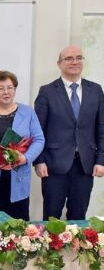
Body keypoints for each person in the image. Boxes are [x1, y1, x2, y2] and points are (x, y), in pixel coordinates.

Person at [34, 45, 104, 220]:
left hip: (85, 165)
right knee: (51, 218)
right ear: (59, 64)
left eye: (79, 58)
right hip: (53, 165)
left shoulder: (96, 90)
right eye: (69, 58)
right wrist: (39, 161)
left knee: (78, 218)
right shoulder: (47, 91)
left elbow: (101, 127)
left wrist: (101, 160)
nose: (75, 62)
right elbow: (38, 130)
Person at [0, 71, 44, 221]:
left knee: (17, 227)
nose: (6, 92)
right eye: (0, 88)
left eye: (10, 87)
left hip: (17, 178)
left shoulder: (28, 112)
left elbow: (39, 139)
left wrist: (25, 158)